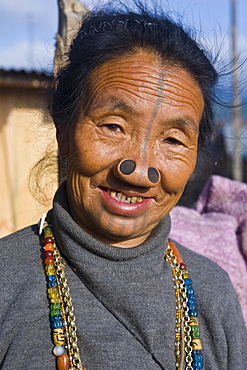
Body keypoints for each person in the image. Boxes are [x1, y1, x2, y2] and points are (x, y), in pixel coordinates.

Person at [1, 2, 247, 370]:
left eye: (174, 140)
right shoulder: (6, 284)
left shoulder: (212, 292)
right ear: (63, 129)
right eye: (114, 126)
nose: (138, 171)